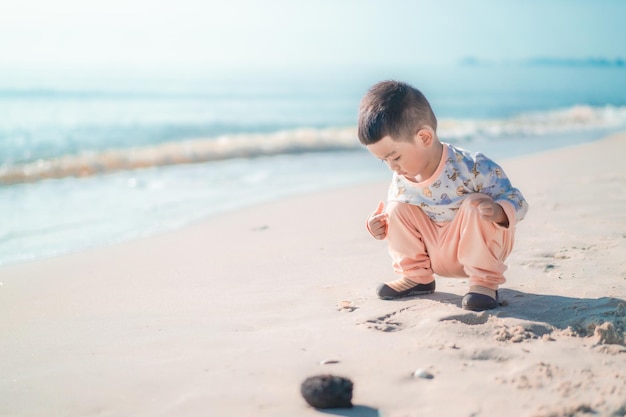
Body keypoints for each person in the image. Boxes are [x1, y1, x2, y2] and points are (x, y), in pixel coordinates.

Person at [358, 80, 528, 311]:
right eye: (383, 161)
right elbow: (399, 224)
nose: (391, 167)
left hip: (477, 248)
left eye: (395, 157)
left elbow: (518, 202)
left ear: (424, 138)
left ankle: (483, 284)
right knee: (397, 208)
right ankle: (417, 277)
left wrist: (499, 212)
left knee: (476, 204)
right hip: (435, 251)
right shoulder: (401, 179)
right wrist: (378, 225)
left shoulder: (473, 166)